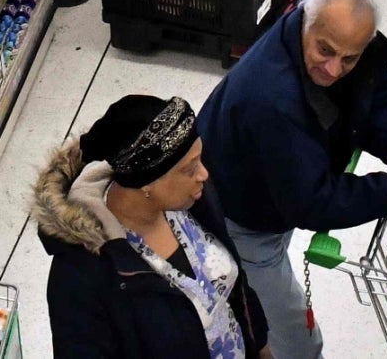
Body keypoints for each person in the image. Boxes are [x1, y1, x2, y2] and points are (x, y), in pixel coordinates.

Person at [196, 0, 387, 359]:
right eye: (325, 51)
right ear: (306, 19)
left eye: (349, 58)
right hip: (241, 222)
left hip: (273, 188)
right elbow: (312, 203)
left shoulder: (336, 38)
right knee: (296, 338)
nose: (334, 69)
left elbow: (373, 90)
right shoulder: (272, 99)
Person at [34, 93, 271, 359]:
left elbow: (237, 290)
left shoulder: (191, 202)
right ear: (146, 180)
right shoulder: (80, 277)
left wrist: (260, 346)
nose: (203, 174)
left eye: (199, 161)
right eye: (189, 169)